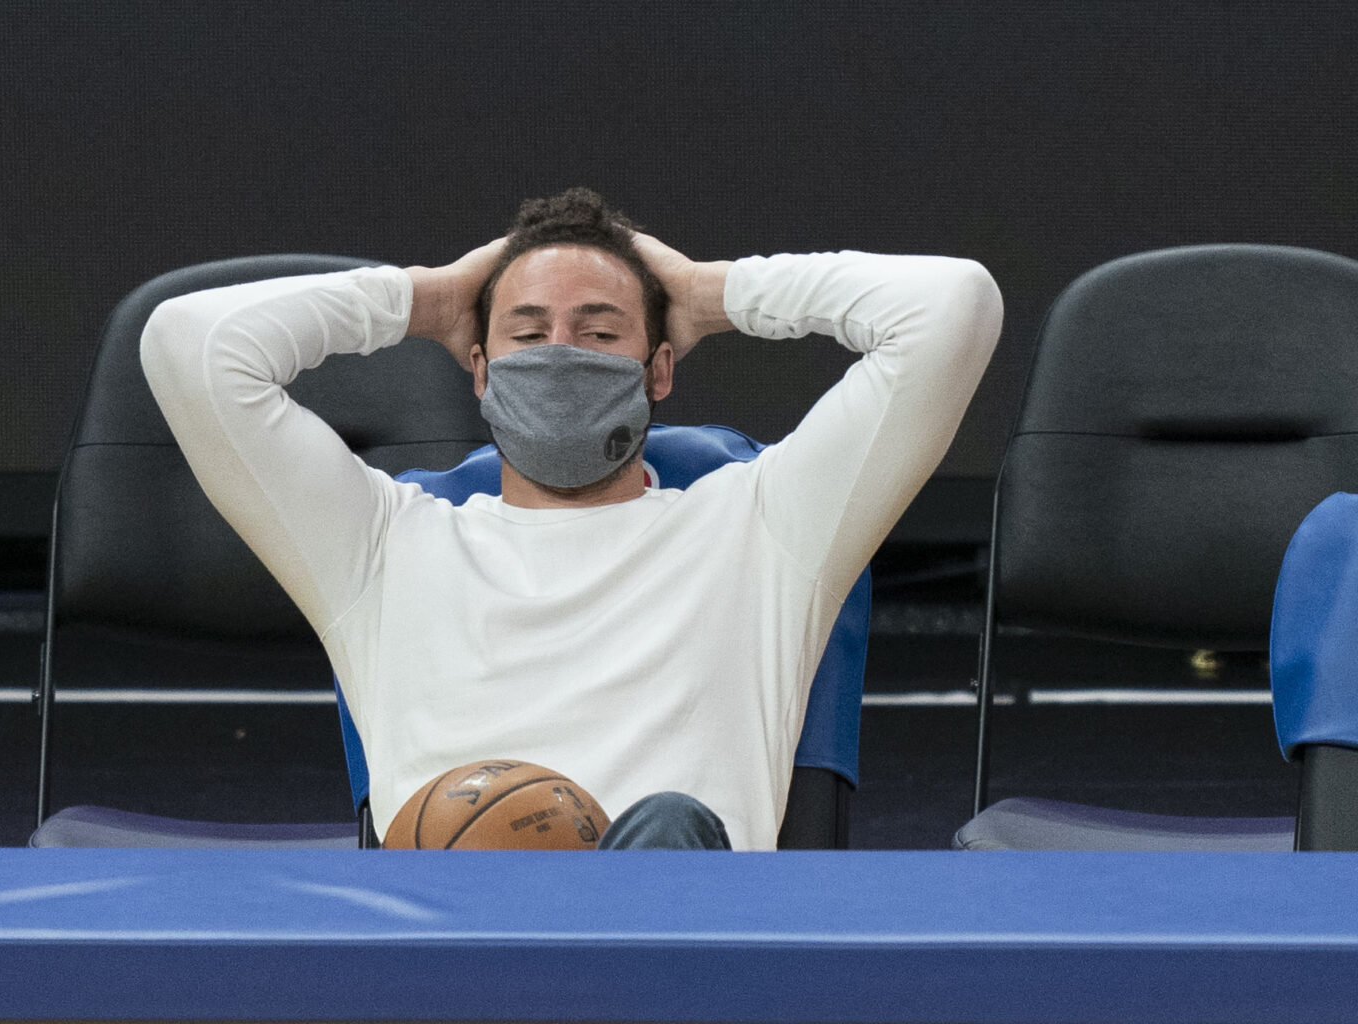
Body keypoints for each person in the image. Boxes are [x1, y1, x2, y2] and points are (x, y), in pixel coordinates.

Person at [140, 188, 1002, 851]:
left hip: (677, 951)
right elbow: (189, 343)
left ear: (658, 370)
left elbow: (953, 306)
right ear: (479, 370)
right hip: (457, 959)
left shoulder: (767, 525)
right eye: (527, 334)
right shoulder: (380, 544)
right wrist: (429, 299)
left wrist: (709, 292)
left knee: (667, 826)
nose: (559, 355)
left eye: (598, 334)